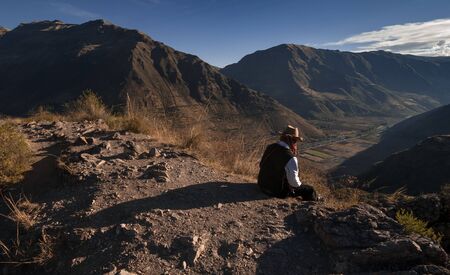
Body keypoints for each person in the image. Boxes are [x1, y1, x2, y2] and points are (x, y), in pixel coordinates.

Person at [257, 125, 318, 200]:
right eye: (295, 141)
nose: (296, 144)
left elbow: (261, 165)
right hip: (277, 192)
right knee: (310, 190)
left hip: (262, 185)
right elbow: (294, 184)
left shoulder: (270, 147)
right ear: (292, 141)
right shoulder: (290, 157)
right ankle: (308, 207)